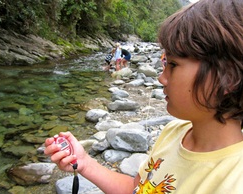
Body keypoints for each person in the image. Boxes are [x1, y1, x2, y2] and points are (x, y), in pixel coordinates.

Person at [44, 0, 243, 193]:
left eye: (172, 65)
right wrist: (85, 163)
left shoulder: (235, 181)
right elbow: (137, 189)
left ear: (226, 78)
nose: (161, 78)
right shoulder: (174, 132)